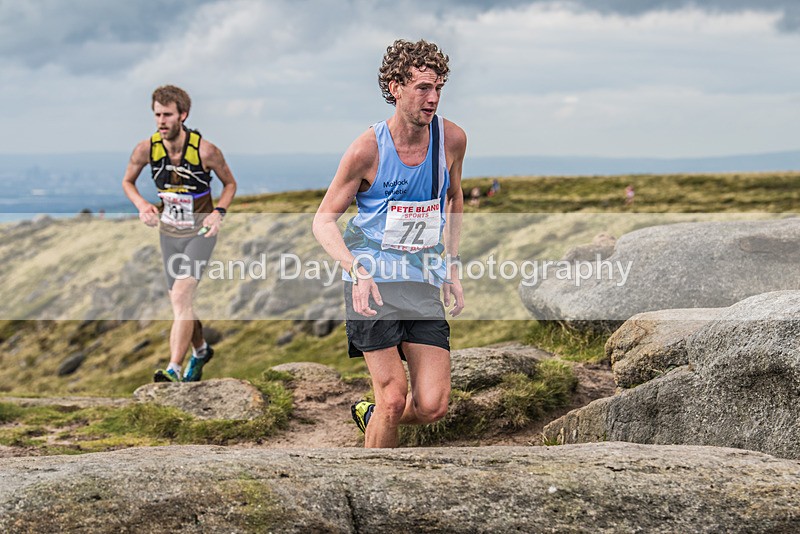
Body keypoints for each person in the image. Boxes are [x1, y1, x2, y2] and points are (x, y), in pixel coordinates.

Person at [313, 39, 467, 448]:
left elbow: (453, 198)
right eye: (422, 88)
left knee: (433, 405)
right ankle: (371, 491)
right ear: (395, 86)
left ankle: (372, 416)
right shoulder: (367, 149)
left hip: (421, 280)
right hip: (373, 283)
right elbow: (323, 220)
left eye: (438, 88)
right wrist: (355, 271)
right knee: (394, 398)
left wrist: (451, 265)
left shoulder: (451, 140)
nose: (432, 99)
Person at [122, 85, 237, 383]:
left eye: (168, 115)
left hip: (201, 233)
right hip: (169, 234)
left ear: (183, 115)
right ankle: (200, 349)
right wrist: (142, 205)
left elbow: (230, 185)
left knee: (182, 295)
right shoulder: (146, 149)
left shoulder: (206, 151)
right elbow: (128, 182)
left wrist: (218, 212)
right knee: (181, 303)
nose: (161, 121)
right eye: (157, 114)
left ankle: (173, 367)